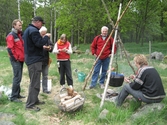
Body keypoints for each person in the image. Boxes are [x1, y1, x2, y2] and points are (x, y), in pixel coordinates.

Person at [23, 16, 51, 111]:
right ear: (38, 22)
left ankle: (35, 99)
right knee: (34, 83)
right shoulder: (34, 31)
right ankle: (30, 105)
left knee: (35, 81)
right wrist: (46, 37)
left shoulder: (28, 30)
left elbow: (33, 45)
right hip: (34, 60)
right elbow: (39, 43)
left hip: (31, 58)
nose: (41, 25)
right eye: (41, 23)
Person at [6, 19, 25, 102]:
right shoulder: (11, 35)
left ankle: (17, 94)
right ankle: (13, 97)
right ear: (14, 26)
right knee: (17, 77)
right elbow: (10, 49)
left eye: (21, 25)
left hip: (21, 59)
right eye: (19, 25)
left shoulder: (19, 35)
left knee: (19, 77)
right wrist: (15, 58)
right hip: (16, 60)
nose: (21, 27)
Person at [39, 26, 54, 94]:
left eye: (45, 34)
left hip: (46, 59)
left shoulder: (47, 39)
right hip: (38, 60)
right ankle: (37, 90)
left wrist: (50, 48)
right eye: (43, 34)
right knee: (37, 76)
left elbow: (51, 46)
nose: (44, 35)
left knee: (45, 75)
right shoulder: (37, 38)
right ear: (40, 33)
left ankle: (45, 89)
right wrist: (42, 47)